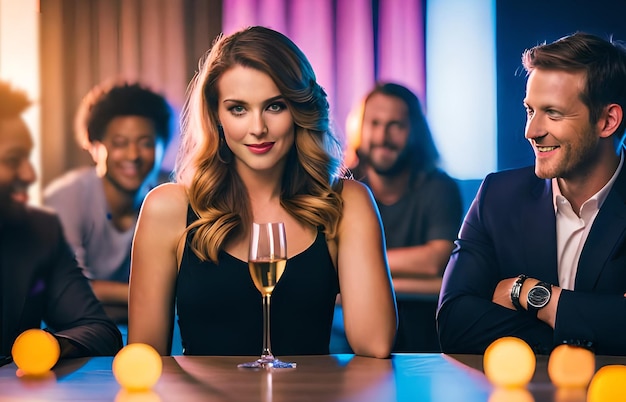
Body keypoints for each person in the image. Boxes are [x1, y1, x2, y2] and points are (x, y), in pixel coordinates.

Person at [128, 26, 397, 357]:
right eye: (238, 109)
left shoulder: (346, 202)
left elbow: (376, 344)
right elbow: (143, 359)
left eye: (275, 106)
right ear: (216, 116)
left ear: (299, 108)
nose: (257, 128)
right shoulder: (166, 209)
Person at [437, 32, 626, 355]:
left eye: (553, 113)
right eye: (530, 111)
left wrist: (527, 292)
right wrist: (595, 324)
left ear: (607, 121)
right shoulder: (497, 196)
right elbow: (455, 323)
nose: (531, 131)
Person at [0, 80, 122, 357]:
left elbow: (98, 330)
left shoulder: (39, 232)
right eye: (12, 160)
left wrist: (47, 347)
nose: (30, 175)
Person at [345, 82, 462, 352]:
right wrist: (422, 281)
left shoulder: (440, 187)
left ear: (415, 131)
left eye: (395, 125)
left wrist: (357, 276)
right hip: (354, 333)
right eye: (374, 123)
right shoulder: (342, 188)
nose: (383, 135)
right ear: (360, 128)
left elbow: (436, 262)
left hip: (427, 329)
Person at [43, 81, 173, 323]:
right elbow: (69, 288)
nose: (133, 155)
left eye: (146, 143)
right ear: (94, 147)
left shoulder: (171, 194)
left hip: (139, 324)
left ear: (162, 147)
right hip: (71, 332)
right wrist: (151, 296)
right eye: (120, 143)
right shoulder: (68, 197)